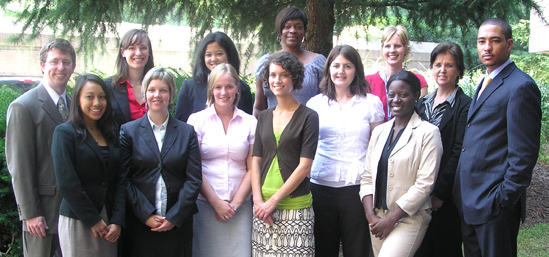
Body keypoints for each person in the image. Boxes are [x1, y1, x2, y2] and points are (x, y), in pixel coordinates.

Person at [453, 18, 541, 257]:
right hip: (469, 201)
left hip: (493, 205)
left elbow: (524, 154)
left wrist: (503, 199)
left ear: (510, 44)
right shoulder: (485, 80)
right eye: (482, 41)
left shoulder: (520, 86)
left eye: (495, 41)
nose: (487, 48)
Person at [306, 45, 384, 257]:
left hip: (356, 188)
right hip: (321, 186)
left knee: (356, 250)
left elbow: (377, 149)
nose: (341, 71)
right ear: (328, 69)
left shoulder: (371, 104)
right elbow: (307, 147)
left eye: (347, 66)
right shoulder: (315, 104)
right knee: (323, 250)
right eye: (336, 65)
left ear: (356, 70)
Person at [120, 67, 202, 257]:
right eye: (152, 90)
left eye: (163, 90)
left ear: (171, 94)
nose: (157, 95)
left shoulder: (186, 132)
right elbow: (124, 179)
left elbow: (194, 179)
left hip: (177, 224)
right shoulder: (128, 131)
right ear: (145, 93)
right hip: (141, 224)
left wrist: (174, 217)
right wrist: (146, 215)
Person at [360, 71, 443, 257]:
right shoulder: (380, 131)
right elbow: (367, 176)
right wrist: (370, 216)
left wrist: (391, 219)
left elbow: (425, 184)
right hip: (377, 216)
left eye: (403, 94)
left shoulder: (428, 133)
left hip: (408, 217)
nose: (396, 99)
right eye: (392, 94)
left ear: (415, 96)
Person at [6, 38, 76, 257]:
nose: (60, 67)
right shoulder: (23, 107)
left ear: (73, 67)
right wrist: (30, 213)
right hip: (42, 215)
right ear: (43, 65)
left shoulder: (76, 105)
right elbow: (19, 165)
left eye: (66, 62)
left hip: (74, 212)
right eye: (54, 61)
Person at [251, 51, 319, 256]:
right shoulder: (263, 117)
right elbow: (255, 160)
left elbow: (305, 166)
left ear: (295, 78)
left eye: (284, 74)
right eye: (272, 75)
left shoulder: (309, 117)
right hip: (262, 210)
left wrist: (273, 202)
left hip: (296, 208)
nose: (277, 80)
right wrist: (258, 201)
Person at [51, 74, 125, 257]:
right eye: (89, 96)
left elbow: (121, 180)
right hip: (79, 218)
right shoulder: (64, 133)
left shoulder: (111, 133)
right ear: (77, 99)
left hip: (109, 222)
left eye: (102, 97)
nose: (97, 103)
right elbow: (67, 183)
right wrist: (93, 220)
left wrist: (117, 220)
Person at [187, 63, 256, 257]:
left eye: (229, 86)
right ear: (211, 90)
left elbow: (253, 168)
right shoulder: (197, 121)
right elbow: (193, 167)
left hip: (240, 208)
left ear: (237, 88)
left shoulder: (250, 122)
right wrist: (216, 202)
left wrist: (234, 204)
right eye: (218, 87)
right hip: (205, 205)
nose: (223, 92)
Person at [414, 42, 471, 257]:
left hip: (445, 195)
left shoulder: (465, 105)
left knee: (445, 246)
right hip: (419, 189)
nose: (443, 70)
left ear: (458, 70)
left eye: (449, 65)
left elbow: (459, 151)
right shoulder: (422, 103)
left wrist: (440, 193)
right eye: (438, 65)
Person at [253, 6, 326, 117]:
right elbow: (259, 107)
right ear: (280, 30)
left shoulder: (318, 63)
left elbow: (326, 104)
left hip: (307, 129)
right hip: (271, 130)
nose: (293, 31)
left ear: (304, 31)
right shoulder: (265, 63)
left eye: (298, 27)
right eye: (287, 27)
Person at [175, 31, 253, 122]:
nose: (213, 59)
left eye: (219, 54)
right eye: (208, 55)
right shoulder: (189, 87)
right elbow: (181, 124)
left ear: (229, 55)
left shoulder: (243, 89)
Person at [365, 25, 428, 121]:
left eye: (397, 46)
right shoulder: (368, 82)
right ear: (382, 49)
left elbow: (420, 117)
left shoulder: (418, 81)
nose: (392, 50)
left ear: (406, 50)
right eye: (387, 46)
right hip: (376, 135)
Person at [105, 29, 154, 127]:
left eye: (143, 47)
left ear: (149, 52)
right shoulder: (108, 87)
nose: (138, 53)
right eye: (132, 48)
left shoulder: (157, 85)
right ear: (123, 52)